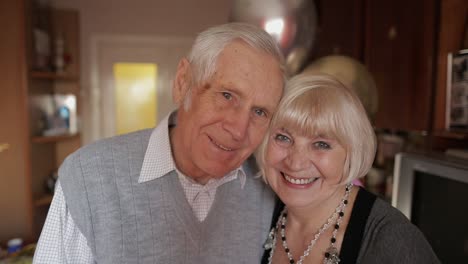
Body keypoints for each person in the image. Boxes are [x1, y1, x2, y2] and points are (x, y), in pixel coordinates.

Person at [33, 22, 287, 264]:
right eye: (227, 95)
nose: (238, 130)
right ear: (182, 83)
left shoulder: (268, 189)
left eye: (260, 112)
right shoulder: (87, 178)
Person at [257, 73, 440, 264]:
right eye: (283, 138)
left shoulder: (393, 239)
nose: (295, 162)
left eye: (321, 144)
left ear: (351, 152)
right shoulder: (256, 208)